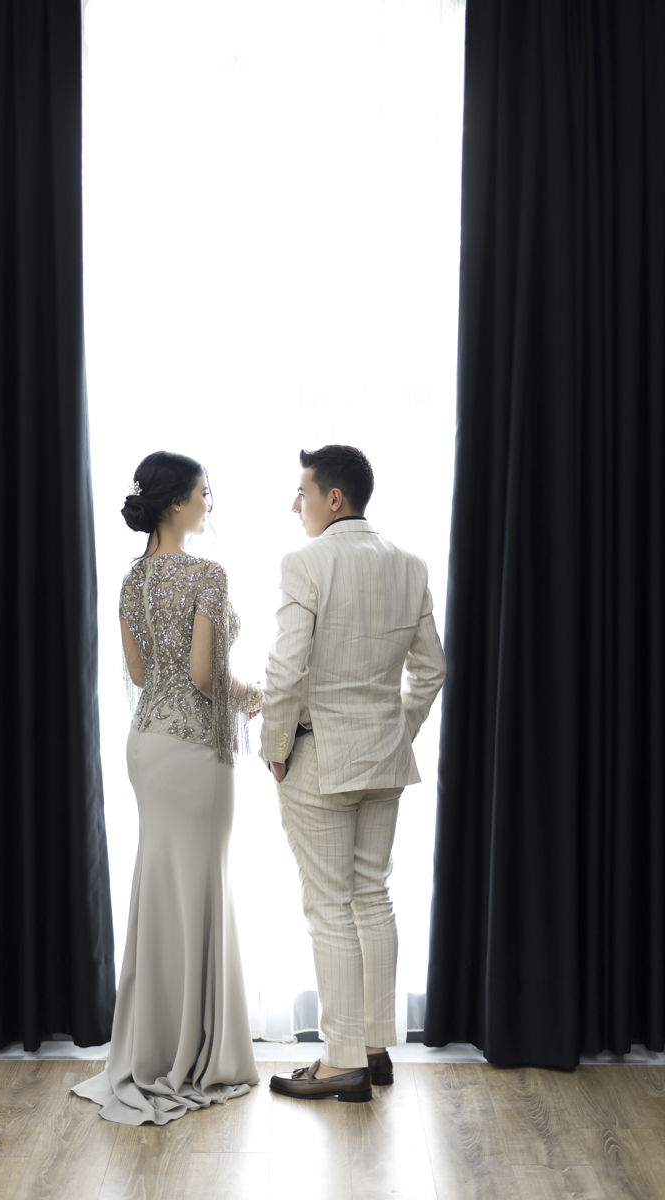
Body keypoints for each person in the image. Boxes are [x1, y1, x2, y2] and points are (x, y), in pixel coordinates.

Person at [72, 451, 262, 1126]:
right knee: (200, 888)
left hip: (147, 747)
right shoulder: (208, 575)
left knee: (159, 889)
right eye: (204, 493)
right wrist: (254, 695)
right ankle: (198, 1053)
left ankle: (150, 1048)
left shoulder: (132, 579)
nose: (209, 503)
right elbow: (206, 677)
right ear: (176, 503)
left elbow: (139, 671)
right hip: (193, 752)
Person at [262, 445, 446, 1103]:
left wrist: (275, 747)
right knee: (372, 895)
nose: (297, 504)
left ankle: (341, 1064)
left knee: (330, 907)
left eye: (303, 491)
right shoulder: (409, 564)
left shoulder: (305, 563)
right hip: (384, 758)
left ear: (333, 498)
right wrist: (398, 730)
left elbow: (285, 669)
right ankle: (373, 1049)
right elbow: (432, 669)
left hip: (321, 758)